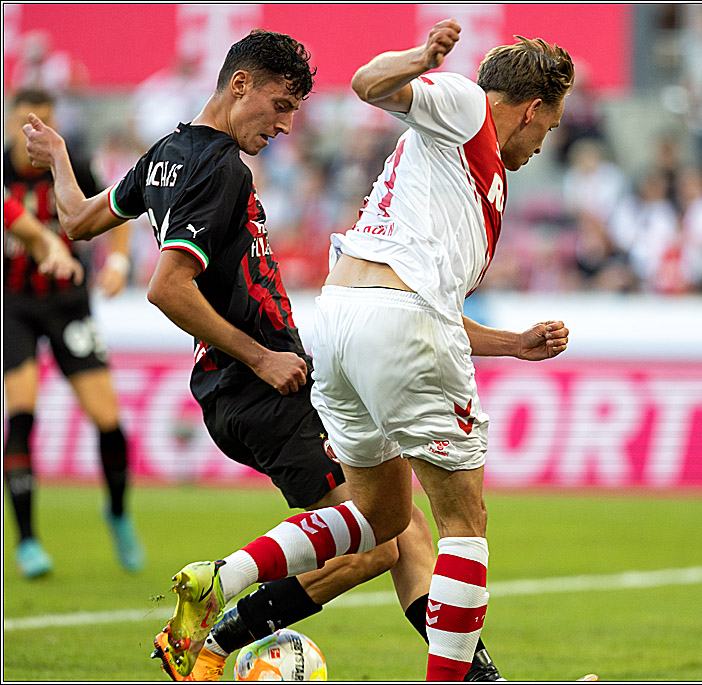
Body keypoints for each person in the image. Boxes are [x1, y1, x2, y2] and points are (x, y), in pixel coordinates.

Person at [51, 19, 585, 682]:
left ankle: (227, 580)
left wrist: (513, 344)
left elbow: (426, 308)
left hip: (339, 323)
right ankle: (461, 678)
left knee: (386, 521)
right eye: (550, 127)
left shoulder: (172, 155)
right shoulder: (467, 105)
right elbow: (369, 83)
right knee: (459, 522)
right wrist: (422, 56)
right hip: (287, 360)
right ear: (532, 108)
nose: (544, 143)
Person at [4, 88, 143, 580]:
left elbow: (123, 207)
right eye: (25, 122)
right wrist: (44, 244)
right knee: (21, 411)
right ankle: (26, 542)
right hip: (14, 307)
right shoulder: (3, 170)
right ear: (11, 121)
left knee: (108, 418)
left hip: (68, 305)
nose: (32, 134)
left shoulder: (74, 164)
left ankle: (120, 514)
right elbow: (21, 224)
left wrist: (120, 261)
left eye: (42, 122)